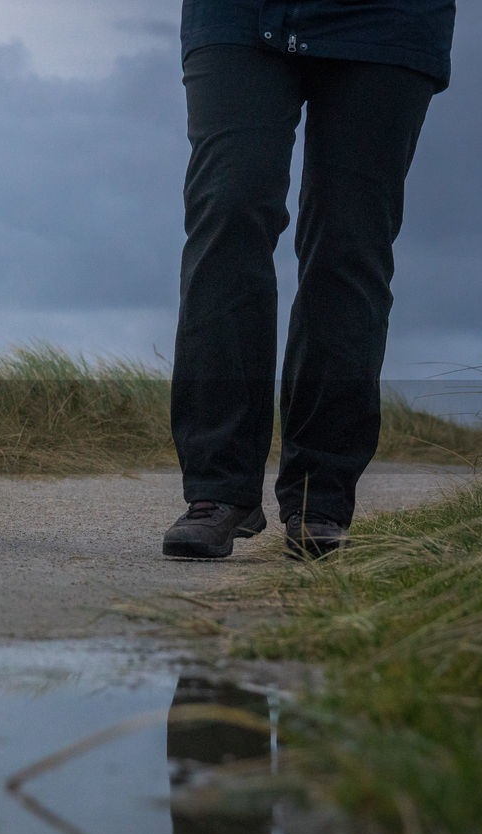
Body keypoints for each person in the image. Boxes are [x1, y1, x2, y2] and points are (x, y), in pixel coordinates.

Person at [162, 0, 456, 560]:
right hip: (237, 17)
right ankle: (218, 491)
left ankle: (317, 498)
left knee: (350, 246)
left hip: (389, 21)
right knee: (228, 212)